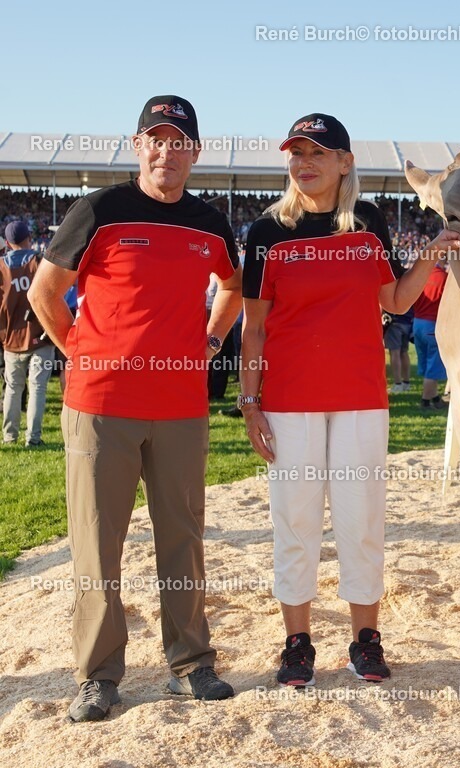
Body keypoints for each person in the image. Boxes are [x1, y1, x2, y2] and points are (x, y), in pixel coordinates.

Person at [28, 95, 241, 722]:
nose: (166, 151)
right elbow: (46, 290)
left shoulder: (211, 223)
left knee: (184, 537)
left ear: (196, 152)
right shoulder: (99, 208)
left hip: (180, 407)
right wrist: (83, 354)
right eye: (156, 138)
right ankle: (98, 675)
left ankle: (191, 663)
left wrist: (209, 341)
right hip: (102, 405)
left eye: (179, 141)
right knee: (98, 544)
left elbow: (231, 287)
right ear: (137, 144)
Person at [239, 113, 459, 687]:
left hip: (362, 396)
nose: (304, 162)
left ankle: (365, 638)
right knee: (296, 520)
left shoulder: (367, 222)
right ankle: (297, 642)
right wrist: (249, 401)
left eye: (318, 152)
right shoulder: (266, 232)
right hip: (288, 400)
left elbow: (393, 301)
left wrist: (431, 252)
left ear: (344, 162)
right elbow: (254, 327)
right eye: (296, 153)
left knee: (362, 520)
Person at [1, 220, 54, 446]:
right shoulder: (38, 260)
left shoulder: (1, 265)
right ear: (28, 238)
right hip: (40, 335)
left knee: (13, 389)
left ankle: (9, 436)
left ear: (8, 242)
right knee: (37, 388)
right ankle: (33, 438)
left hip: (11, 337)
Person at [412, 261, 448, 409]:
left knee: (426, 362)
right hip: (432, 323)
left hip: (417, 323)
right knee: (433, 365)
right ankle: (426, 400)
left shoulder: (419, 275)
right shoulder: (444, 278)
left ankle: (434, 397)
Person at [384, 307, 413, 393]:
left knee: (394, 353)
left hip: (394, 321)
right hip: (407, 321)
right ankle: (406, 382)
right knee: (404, 352)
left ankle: (398, 384)